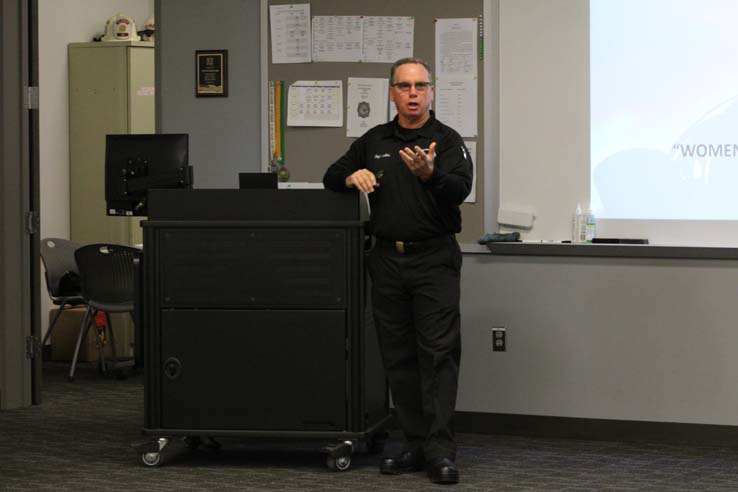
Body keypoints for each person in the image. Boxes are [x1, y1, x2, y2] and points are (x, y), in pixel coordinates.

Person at [323, 57, 473, 485]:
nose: (412, 93)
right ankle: (412, 442)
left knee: (438, 355)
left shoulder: (445, 140)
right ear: (391, 93)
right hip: (387, 259)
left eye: (420, 86)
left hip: (433, 260)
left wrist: (431, 175)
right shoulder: (374, 139)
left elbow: (461, 188)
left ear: (431, 92)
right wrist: (352, 176)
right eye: (404, 86)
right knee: (398, 356)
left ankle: (440, 451)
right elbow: (330, 176)